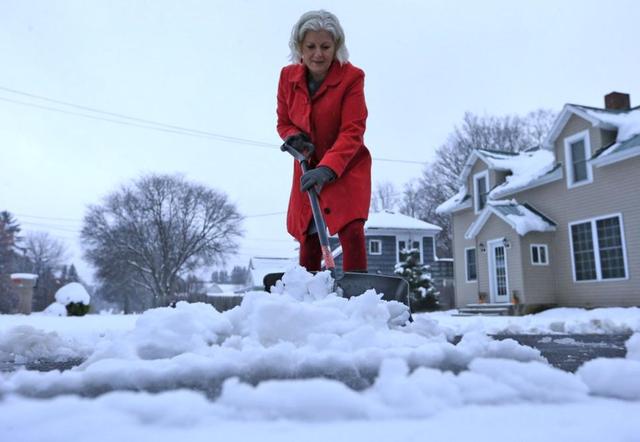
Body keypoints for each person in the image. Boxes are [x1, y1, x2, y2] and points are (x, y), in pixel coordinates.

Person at [277, 10, 371, 273]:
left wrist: (328, 168)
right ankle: (308, 300)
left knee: (351, 230)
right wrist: (294, 138)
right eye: (311, 47)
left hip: (346, 165)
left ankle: (356, 298)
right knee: (308, 235)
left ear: (337, 47)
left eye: (326, 46)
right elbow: (283, 121)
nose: (318, 54)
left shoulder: (352, 78)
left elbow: (353, 129)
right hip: (307, 165)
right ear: (299, 47)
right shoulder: (287, 78)